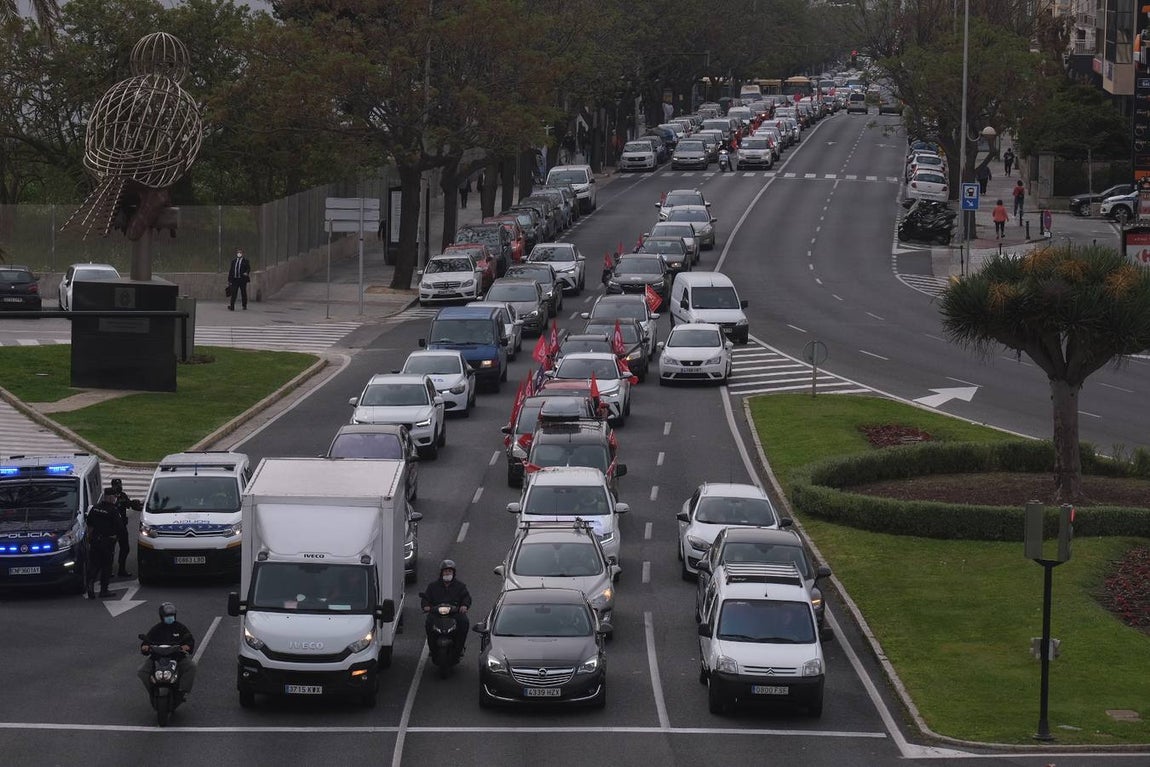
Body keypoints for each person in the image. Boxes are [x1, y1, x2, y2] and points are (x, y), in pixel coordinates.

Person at [138, 602, 197, 698]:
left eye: (171, 615)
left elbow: (189, 639)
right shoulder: (156, 629)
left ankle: (181, 691)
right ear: (162, 616)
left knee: (191, 667)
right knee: (142, 671)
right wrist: (145, 647)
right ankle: (152, 691)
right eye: (167, 616)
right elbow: (147, 641)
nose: (170, 618)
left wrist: (187, 646)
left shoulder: (180, 627)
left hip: (177, 657)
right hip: (157, 657)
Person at [421, 559, 472, 656]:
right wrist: (426, 606)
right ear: (441, 573)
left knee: (464, 622)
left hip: (454, 612)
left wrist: (464, 605)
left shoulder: (460, 586)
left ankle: (459, 647)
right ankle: (432, 648)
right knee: (429, 623)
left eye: (450, 571)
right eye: (445, 571)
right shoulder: (432, 586)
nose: (447, 573)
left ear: (453, 573)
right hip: (436, 613)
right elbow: (426, 597)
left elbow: (466, 597)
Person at [84, 488, 125, 599]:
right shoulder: (113, 510)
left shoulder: (95, 508)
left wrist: (90, 538)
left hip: (95, 541)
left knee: (94, 564)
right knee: (106, 566)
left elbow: (89, 525)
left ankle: (90, 584)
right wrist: (116, 536)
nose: (115, 499)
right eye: (114, 497)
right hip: (107, 542)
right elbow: (120, 527)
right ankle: (104, 590)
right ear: (110, 497)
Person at [109, 478, 142, 577]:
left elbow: (129, 505)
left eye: (120, 485)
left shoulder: (123, 495)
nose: (119, 487)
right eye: (116, 485)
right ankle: (108, 570)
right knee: (109, 550)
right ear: (112, 486)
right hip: (111, 528)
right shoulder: (109, 496)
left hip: (122, 527)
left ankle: (122, 569)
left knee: (125, 548)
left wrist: (137, 505)